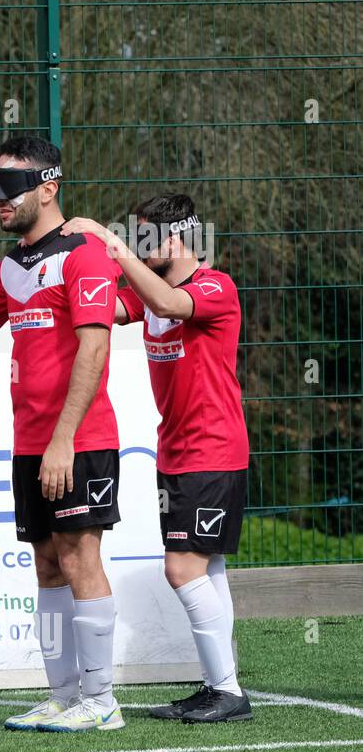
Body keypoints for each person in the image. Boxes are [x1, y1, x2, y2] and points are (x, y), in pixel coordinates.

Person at [0, 135, 125, 733]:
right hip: (29, 442)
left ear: (49, 188)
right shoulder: (14, 263)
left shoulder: (84, 256)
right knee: (46, 565)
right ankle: (64, 694)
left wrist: (65, 437)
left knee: (78, 557)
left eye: (10, 186)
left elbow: (96, 347)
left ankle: (102, 702)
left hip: (80, 439)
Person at [62, 195, 252, 723]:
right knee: (208, 568)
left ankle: (230, 692)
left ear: (174, 240)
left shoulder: (215, 287)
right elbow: (110, 306)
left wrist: (112, 243)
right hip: (176, 450)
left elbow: (168, 305)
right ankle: (220, 684)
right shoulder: (152, 293)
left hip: (213, 451)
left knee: (182, 567)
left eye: (147, 239)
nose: (139, 249)